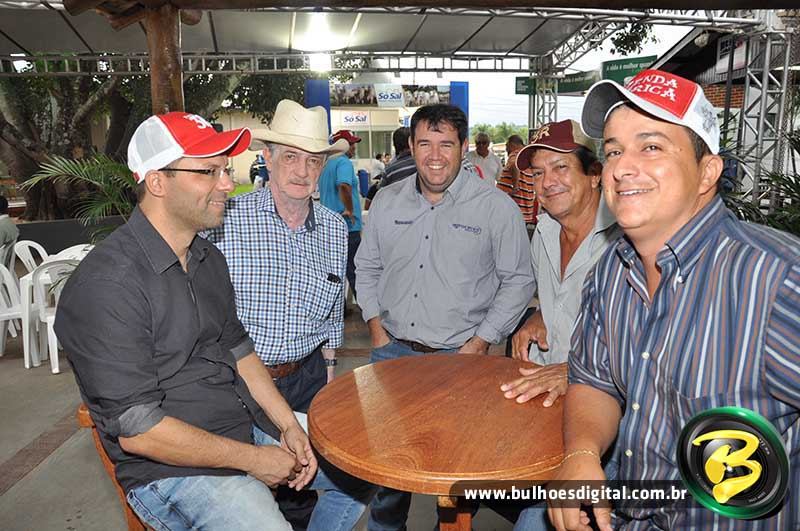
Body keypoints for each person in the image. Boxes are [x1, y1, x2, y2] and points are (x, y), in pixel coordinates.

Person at [55, 112, 374, 531]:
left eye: (224, 170)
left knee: (365, 466)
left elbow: (241, 352)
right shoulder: (106, 285)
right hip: (173, 470)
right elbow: (140, 430)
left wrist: (287, 425)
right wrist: (255, 460)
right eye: (209, 172)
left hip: (244, 423)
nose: (227, 184)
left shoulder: (207, 258)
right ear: (157, 182)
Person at [549, 69, 800, 531]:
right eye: (613, 151)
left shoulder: (778, 279)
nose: (621, 168)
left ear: (707, 172)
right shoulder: (610, 273)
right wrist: (581, 453)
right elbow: (594, 381)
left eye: (651, 147)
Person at [356, 104, 535, 530]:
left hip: (461, 362)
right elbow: (367, 267)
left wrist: (481, 341)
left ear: (464, 148)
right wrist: (377, 330)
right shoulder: (387, 200)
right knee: (386, 476)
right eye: (425, 143)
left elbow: (518, 280)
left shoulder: (495, 208)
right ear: (411, 146)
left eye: (446, 144)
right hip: (391, 356)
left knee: (455, 480)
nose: (434, 156)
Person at [203, 100, 350, 529]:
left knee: (302, 490)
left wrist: (328, 377)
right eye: (290, 157)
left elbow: (332, 316)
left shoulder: (335, 229)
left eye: (313, 160)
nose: (302, 171)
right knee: (241, 495)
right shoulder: (225, 221)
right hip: (237, 383)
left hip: (306, 380)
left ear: (323, 167)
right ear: (267, 159)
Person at [498, 120, 621, 531]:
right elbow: (561, 297)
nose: (547, 182)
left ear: (594, 173)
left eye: (560, 167)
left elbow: (650, 345)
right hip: (545, 403)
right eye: (537, 173)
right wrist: (540, 315)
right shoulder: (546, 230)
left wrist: (575, 371)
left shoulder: (626, 239)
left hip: (607, 422)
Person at [319, 129, 363, 303]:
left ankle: (339, 308)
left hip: (329, 226)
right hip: (347, 226)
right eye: (351, 144)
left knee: (334, 273)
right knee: (356, 271)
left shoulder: (326, 165)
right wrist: (349, 209)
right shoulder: (344, 163)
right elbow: (344, 185)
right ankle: (367, 310)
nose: (354, 147)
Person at [497, 134, 538, 225]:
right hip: (524, 211)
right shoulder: (529, 158)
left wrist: (515, 187)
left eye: (507, 146)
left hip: (511, 211)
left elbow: (514, 165)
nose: (506, 150)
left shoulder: (516, 154)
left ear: (512, 145)